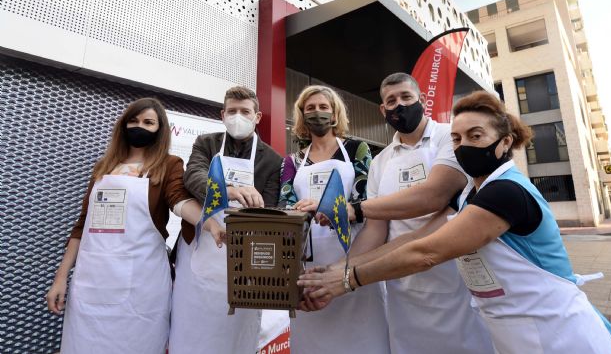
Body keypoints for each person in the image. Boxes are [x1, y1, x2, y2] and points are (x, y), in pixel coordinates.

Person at [299, 91, 611, 354]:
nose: (463, 145)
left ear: (505, 142)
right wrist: (337, 269)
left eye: (475, 135)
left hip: (562, 334)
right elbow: (409, 241)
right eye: (456, 139)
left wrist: (347, 280)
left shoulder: (506, 193)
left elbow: (425, 253)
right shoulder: (467, 196)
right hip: (515, 336)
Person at [45, 98, 215, 354]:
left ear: (159, 129)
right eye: (133, 121)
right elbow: (81, 226)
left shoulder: (168, 165)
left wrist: (208, 222)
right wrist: (60, 278)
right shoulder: (103, 167)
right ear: (123, 125)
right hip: (92, 281)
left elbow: (178, 200)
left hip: (141, 284)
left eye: (148, 122)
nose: (140, 127)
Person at [341, 73, 493, 354]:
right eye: (391, 101)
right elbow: (375, 229)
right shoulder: (380, 161)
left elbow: (433, 196)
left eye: (406, 97)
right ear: (382, 109)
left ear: (421, 99)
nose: (399, 105)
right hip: (400, 280)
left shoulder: (451, 137)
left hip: (453, 275)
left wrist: (356, 208)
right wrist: (343, 268)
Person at [169, 86, 283, 354]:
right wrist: (229, 190)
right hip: (199, 251)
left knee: (236, 337)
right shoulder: (206, 143)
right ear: (222, 115)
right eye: (232, 111)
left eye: (245, 111)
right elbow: (193, 176)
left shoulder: (272, 159)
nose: (237, 117)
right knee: (189, 333)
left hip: (244, 259)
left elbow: (270, 210)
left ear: (257, 117)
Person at [279, 85, 389, 354]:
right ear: (302, 115)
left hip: (354, 252)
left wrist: (327, 206)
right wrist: (299, 211)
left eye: (323, 107)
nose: (317, 112)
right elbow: (285, 205)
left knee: (362, 336)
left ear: (335, 114)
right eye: (310, 108)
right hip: (309, 260)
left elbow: (366, 198)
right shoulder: (292, 161)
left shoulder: (357, 149)